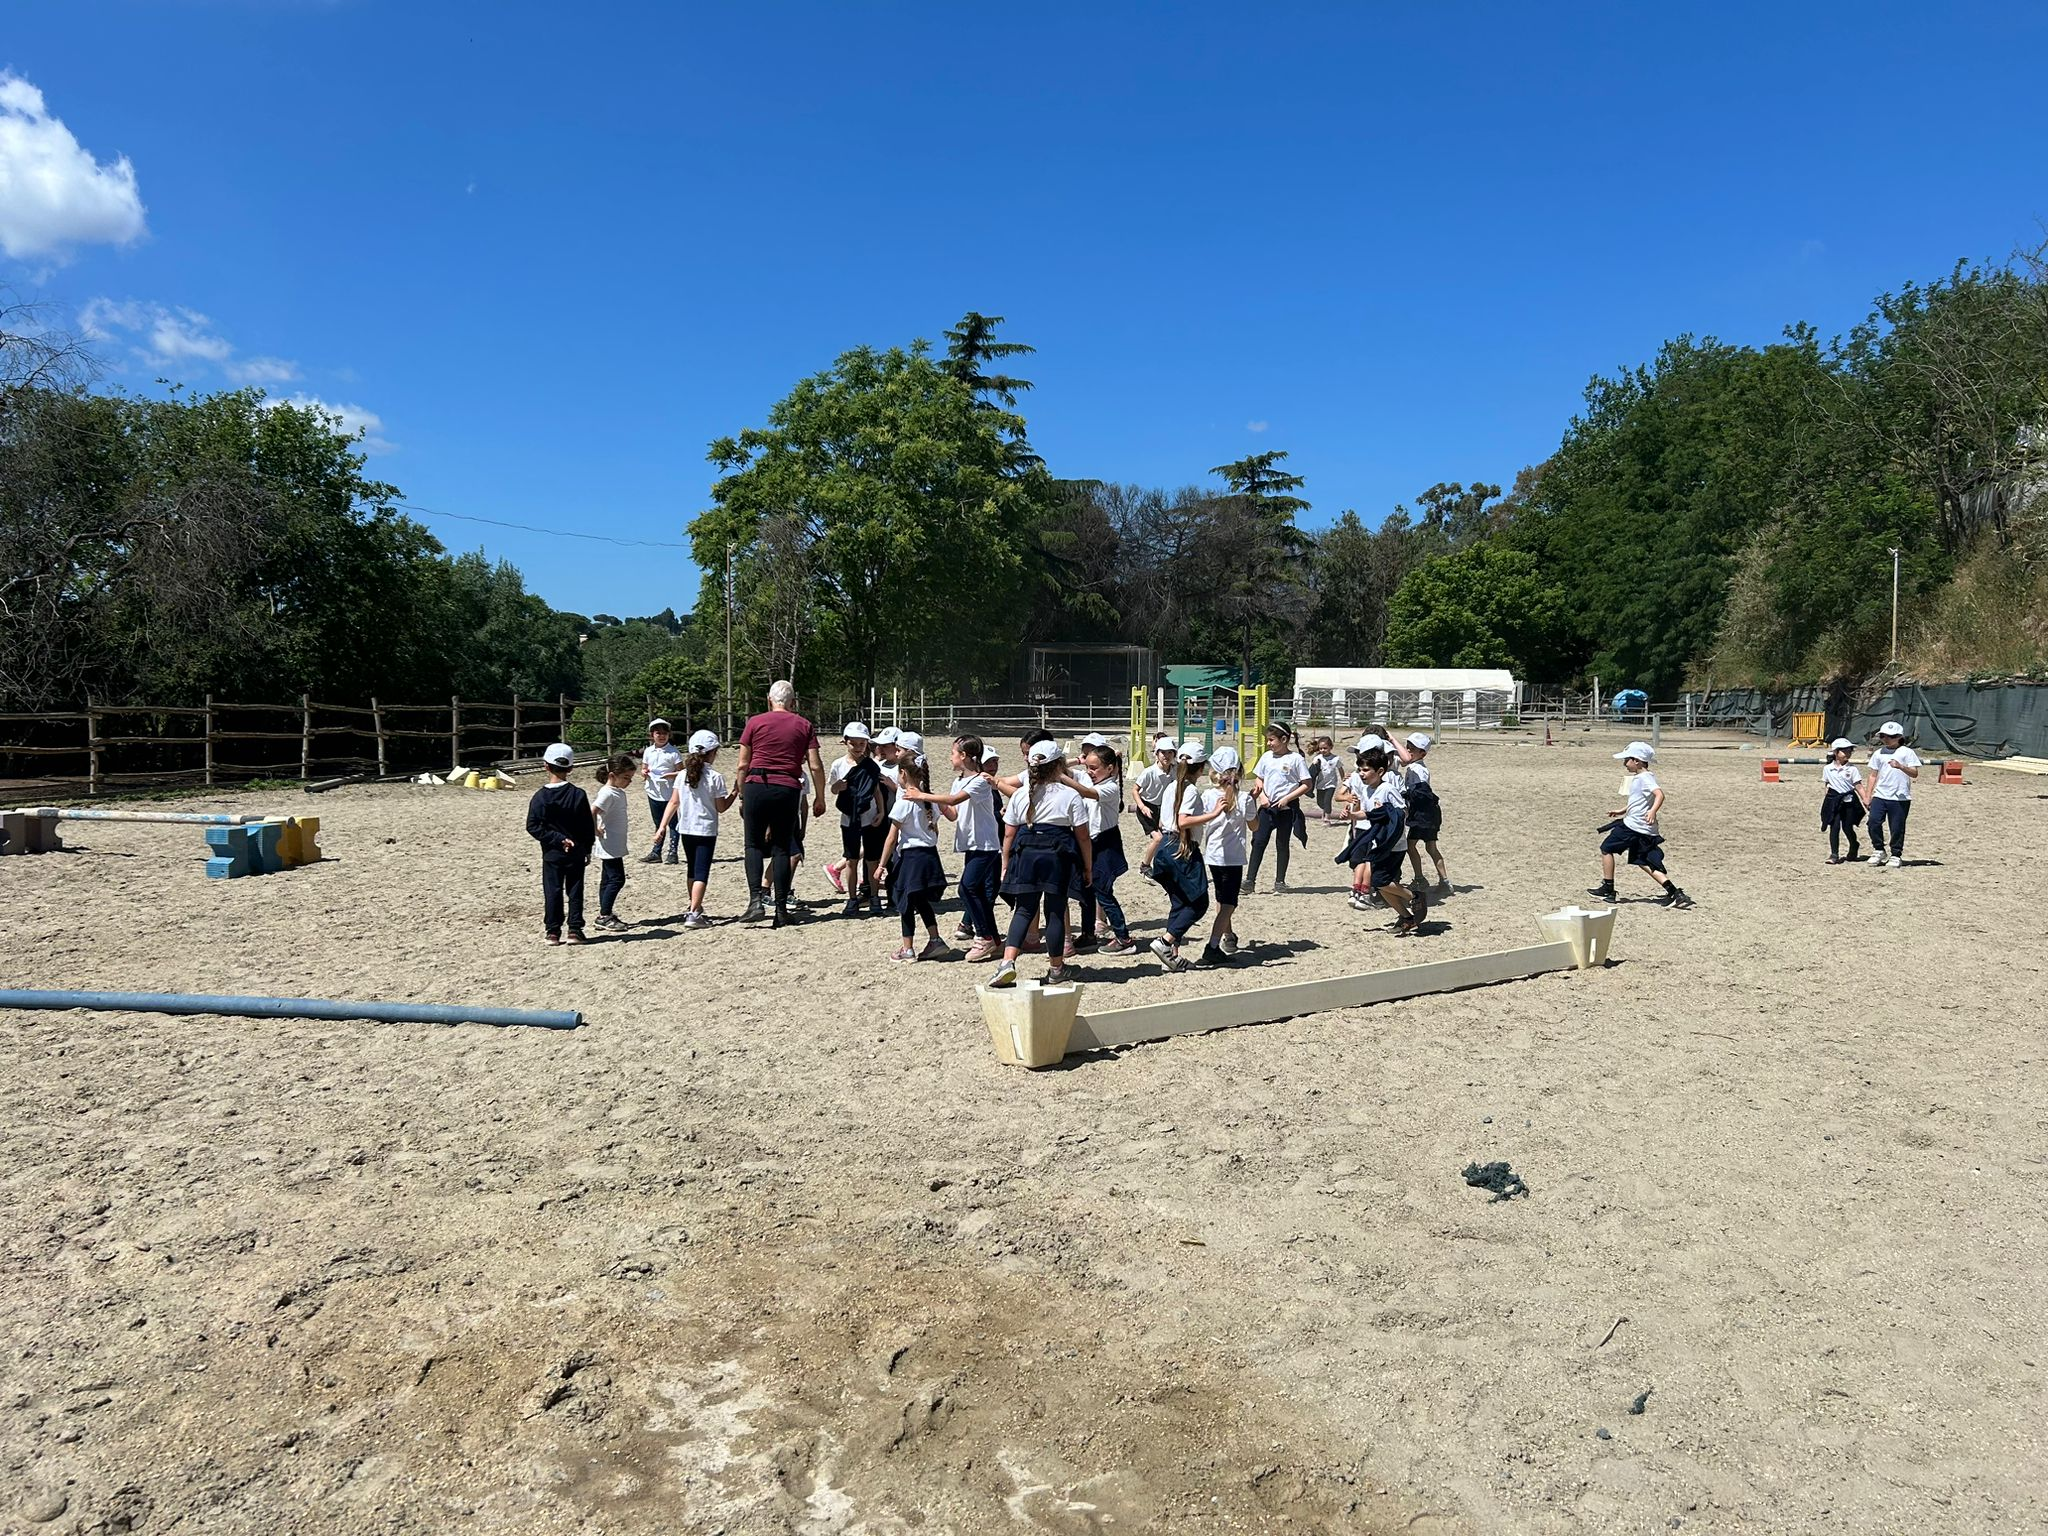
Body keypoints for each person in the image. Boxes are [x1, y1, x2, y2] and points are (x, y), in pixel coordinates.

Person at [987, 740, 1093, 989]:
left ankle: (1007, 963)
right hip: (1057, 853)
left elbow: (1009, 834)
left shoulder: (1021, 794)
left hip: (1026, 852)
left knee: (1024, 909)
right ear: (1059, 765)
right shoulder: (1069, 795)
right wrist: (1087, 866)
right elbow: (1083, 836)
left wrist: (1006, 863)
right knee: (1055, 910)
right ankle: (1056, 968)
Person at [733, 681, 827, 928]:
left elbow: (743, 764)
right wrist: (820, 796)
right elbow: (815, 765)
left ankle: (755, 901)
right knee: (782, 848)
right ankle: (782, 908)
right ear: (793, 702)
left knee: (753, 845)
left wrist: (742, 795)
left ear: (768, 700)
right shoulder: (804, 725)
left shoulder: (754, 722)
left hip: (757, 783)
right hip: (787, 786)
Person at [919, 736, 1002, 959]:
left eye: (953, 753)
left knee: (966, 888)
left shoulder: (980, 781)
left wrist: (924, 795)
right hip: (972, 845)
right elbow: (954, 812)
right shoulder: (959, 782)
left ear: (964, 756)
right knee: (976, 892)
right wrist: (935, 801)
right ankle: (993, 938)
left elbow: (955, 800)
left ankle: (983, 937)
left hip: (985, 844)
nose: (951, 757)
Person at [1589, 741, 1693, 908]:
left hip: (1633, 827)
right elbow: (1639, 801)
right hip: (1642, 828)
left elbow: (1659, 795)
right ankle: (1675, 893)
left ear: (1636, 761)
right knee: (1643, 861)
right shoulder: (1642, 777)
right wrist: (1622, 811)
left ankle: (1608, 888)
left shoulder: (1645, 778)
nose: (1624, 763)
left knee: (1606, 848)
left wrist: (1652, 812)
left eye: (1627, 760)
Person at [1140, 741, 1211, 973]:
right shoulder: (1189, 789)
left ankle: (1172, 955)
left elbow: (1163, 820)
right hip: (1181, 847)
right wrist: (1214, 813)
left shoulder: (1171, 786)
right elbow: (1183, 821)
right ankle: (1165, 942)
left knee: (1179, 901)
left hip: (1165, 847)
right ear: (1200, 768)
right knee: (1200, 902)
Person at [654, 728, 735, 926]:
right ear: (712, 752)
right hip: (706, 830)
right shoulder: (715, 776)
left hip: (686, 829)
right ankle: (694, 913)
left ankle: (695, 906)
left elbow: (673, 802)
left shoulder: (682, 775)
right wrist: (734, 793)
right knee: (701, 872)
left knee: (692, 870)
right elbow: (721, 807)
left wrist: (662, 826)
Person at [1177, 744, 1250, 965]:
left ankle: (1228, 936)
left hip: (1213, 855)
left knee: (1222, 898)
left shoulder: (1207, 795)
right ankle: (1213, 945)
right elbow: (1255, 826)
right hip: (1234, 857)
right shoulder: (1245, 798)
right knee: (1229, 903)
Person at [1347, 742, 1428, 936]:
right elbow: (1366, 815)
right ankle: (1407, 918)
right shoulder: (1366, 790)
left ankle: (1414, 896)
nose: (1361, 773)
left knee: (1379, 880)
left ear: (1380, 771)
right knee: (1381, 884)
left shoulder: (1388, 789)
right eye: (1359, 769)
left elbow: (1403, 812)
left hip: (1393, 845)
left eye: (1366, 770)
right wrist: (1351, 814)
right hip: (1376, 843)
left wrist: (1386, 819)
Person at [878, 750, 952, 961]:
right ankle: (935, 939)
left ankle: (907, 948)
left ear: (903, 774)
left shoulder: (904, 802)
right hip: (930, 856)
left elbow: (891, 838)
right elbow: (934, 829)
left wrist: (882, 865)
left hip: (911, 858)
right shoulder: (929, 800)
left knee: (905, 903)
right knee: (920, 900)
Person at [527, 741, 595, 945]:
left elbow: (533, 825)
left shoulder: (540, 797)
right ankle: (575, 929)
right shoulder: (578, 794)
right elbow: (586, 824)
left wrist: (556, 839)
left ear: (545, 766)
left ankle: (553, 931)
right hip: (576, 850)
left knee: (552, 890)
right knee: (575, 889)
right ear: (571, 768)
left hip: (552, 852)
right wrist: (587, 846)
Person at [1076, 742, 1137, 954]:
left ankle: (1123, 937)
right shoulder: (1091, 777)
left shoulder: (1110, 787)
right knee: (1086, 890)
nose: (1089, 772)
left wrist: (1063, 778)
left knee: (1103, 892)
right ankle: (1088, 934)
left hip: (1105, 843)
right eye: (1088, 767)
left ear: (1110, 768)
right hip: (1091, 842)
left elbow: (1085, 792)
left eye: (1094, 768)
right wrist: (1075, 761)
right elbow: (1063, 769)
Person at [826, 722, 890, 919]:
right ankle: (852, 898)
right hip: (849, 818)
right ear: (845, 742)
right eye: (854, 743)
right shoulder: (838, 764)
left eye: (862, 743)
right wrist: (839, 786)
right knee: (851, 860)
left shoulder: (871, 765)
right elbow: (833, 789)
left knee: (872, 860)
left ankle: (873, 897)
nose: (858, 747)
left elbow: (876, 789)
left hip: (870, 818)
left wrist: (881, 811)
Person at [1246, 723, 1312, 892]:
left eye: (1271, 740)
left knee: (1282, 844)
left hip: (1286, 811)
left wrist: (1288, 798)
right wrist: (1262, 796)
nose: (1269, 743)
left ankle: (1280, 881)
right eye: (1268, 740)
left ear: (1284, 739)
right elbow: (1259, 778)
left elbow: (1306, 784)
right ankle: (1249, 881)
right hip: (1267, 809)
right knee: (1258, 842)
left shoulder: (1296, 759)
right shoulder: (1267, 757)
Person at [590, 754, 638, 932]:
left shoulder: (616, 792)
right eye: (626, 778)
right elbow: (592, 810)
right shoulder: (607, 793)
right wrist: (595, 830)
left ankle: (604, 913)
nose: (629, 782)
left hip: (615, 843)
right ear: (612, 775)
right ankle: (604, 915)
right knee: (617, 879)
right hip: (609, 844)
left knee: (607, 879)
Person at [1399, 733, 1451, 896]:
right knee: (1431, 847)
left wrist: (1403, 795)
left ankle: (1420, 878)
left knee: (1410, 845)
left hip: (1422, 815)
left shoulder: (1418, 770)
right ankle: (1444, 881)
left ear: (1423, 753)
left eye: (1412, 749)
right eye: (1407, 747)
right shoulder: (1415, 767)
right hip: (1428, 813)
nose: (1408, 750)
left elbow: (1419, 793)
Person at [1864, 721, 1920, 869]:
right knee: (1873, 822)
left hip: (1900, 798)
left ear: (1899, 737)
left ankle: (1896, 854)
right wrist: (1867, 795)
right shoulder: (1878, 753)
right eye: (1883, 736)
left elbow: (1914, 773)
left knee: (1897, 827)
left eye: (1890, 736)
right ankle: (1879, 849)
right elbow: (1873, 775)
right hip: (1881, 795)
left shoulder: (1907, 753)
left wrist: (1901, 766)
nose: (1886, 739)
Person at [639, 719, 683, 865]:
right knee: (658, 823)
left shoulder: (673, 752)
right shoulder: (648, 751)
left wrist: (670, 776)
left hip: (670, 794)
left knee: (673, 823)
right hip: (653, 792)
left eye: (665, 733)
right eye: (658, 733)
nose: (661, 736)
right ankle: (656, 851)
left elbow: (682, 773)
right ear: (652, 735)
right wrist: (644, 773)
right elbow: (644, 768)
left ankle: (673, 852)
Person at [1820, 737, 1865, 864]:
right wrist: (1828, 801)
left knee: (1847, 827)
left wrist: (1866, 800)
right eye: (1844, 751)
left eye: (1850, 751)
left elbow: (1858, 786)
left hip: (1848, 802)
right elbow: (1827, 785)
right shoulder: (1828, 769)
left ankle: (1854, 845)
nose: (1848, 753)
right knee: (1834, 827)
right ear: (1836, 752)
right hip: (1834, 802)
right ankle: (1834, 854)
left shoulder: (1852, 769)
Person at [1134, 735, 1177, 854]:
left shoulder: (1175, 770)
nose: (1166, 756)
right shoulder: (1149, 772)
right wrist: (1142, 807)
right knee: (1158, 838)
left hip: (1163, 808)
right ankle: (1145, 865)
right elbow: (1135, 790)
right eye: (1163, 752)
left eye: (1170, 752)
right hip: (1147, 807)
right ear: (1156, 754)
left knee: (1168, 835)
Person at [1309, 736, 1342, 823]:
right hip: (1320, 784)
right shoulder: (1317, 758)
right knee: (1320, 802)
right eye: (1321, 748)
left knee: (1327, 801)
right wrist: (1314, 764)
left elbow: (1340, 770)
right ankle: (1324, 812)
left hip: (1331, 784)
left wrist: (1344, 781)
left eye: (1325, 748)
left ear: (1331, 747)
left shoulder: (1335, 759)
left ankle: (1327, 818)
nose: (1323, 750)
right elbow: (1312, 772)